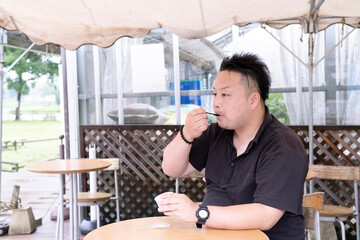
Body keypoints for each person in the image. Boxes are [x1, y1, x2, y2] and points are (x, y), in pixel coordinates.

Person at [158, 52, 308, 240]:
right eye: (215, 94)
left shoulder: (283, 145)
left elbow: (265, 215)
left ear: (253, 100)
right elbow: (172, 169)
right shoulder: (215, 133)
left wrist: (198, 212)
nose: (216, 103)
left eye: (225, 95)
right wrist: (186, 134)